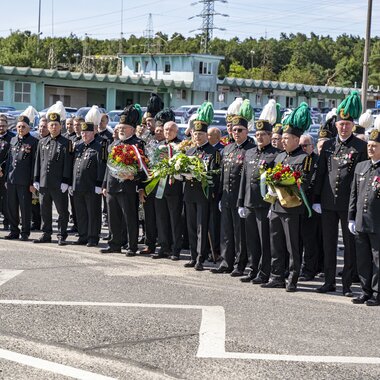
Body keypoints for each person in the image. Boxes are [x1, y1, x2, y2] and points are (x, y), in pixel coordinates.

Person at [313, 91, 368, 296]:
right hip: (327, 203)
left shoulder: (360, 146)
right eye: (340, 124)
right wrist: (316, 198)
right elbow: (320, 173)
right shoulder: (328, 145)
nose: (343, 127)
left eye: (347, 124)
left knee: (349, 246)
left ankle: (346, 284)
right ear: (335, 125)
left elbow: (361, 177)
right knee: (328, 245)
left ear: (352, 125)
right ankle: (329, 281)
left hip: (348, 204)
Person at [261, 103, 315, 292]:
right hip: (276, 206)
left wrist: (284, 183)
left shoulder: (304, 158)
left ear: (296, 139)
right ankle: (276, 276)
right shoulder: (279, 157)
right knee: (276, 243)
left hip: (292, 208)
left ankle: (292, 278)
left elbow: (305, 183)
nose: (283, 141)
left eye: (287, 138)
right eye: (282, 138)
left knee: (292, 246)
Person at [238, 99, 280, 284]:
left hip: (264, 205)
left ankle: (264, 272)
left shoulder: (275, 155)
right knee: (251, 240)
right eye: (258, 134)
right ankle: (253, 269)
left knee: (265, 241)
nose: (260, 137)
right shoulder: (249, 153)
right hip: (249, 202)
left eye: (264, 134)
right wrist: (241, 202)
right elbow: (244, 180)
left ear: (270, 135)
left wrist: (273, 205)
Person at [211, 99, 255, 276]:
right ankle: (225, 261)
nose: (236, 133)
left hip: (241, 198)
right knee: (226, 232)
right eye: (234, 130)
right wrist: (220, 195)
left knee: (240, 234)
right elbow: (223, 174)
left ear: (247, 131)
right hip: (227, 197)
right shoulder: (227, 149)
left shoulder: (250, 149)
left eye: (240, 130)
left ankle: (240, 263)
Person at [101, 105, 145, 255]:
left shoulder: (138, 143)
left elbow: (143, 167)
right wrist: (105, 185)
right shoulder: (114, 144)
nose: (121, 130)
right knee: (113, 218)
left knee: (130, 218)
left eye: (124, 128)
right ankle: (114, 243)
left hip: (128, 187)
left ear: (132, 129)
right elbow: (108, 167)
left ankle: (132, 246)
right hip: (112, 187)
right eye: (119, 127)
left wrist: (135, 178)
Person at [183, 102, 220, 271]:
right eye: (195, 134)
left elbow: (215, 174)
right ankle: (192, 255)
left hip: (204, 195)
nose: (197, 137)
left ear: (207, 135)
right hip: (189, 193)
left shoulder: (213, 153)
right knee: (190, 226)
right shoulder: (189, 152)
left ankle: (200, 257)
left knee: (201, 227)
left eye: (200, 134)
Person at [349, 123, 380, 306]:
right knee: (362, 259)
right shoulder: (361, 166)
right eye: (369, 145)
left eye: (374, 146)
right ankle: (365, 290)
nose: (370, 148)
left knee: (378, 260)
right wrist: (351, 217)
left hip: (377, 222)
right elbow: (354, 194)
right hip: (361, 221)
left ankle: (377, 292)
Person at [33, 111, 73, 245]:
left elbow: (68, 163)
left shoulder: (67, 142)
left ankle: (62, 234)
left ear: (60, 126)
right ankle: (46, 233)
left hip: (59, 183)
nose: (53, 127)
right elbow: (38, 162)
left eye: (56, 125)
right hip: (44, 182)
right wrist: (36, 179)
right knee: (44, 210)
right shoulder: (42, 142)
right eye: (51, 125)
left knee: (62, 211)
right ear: (48, 126)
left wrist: (66, 181)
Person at [152, 118, 184, 260]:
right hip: (160, 188)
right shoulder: (159, 146)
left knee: (175, 220)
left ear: (176, 131)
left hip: (174, 188)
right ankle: (164, 247)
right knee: (161, 218)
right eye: (166, 129)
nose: (168, 132)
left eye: (171, 130)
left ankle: (176, 249)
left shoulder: (180, 146)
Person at [71, 121, 106, 247]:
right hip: (78, 185)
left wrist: (99, 184)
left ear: (93, 133)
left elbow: (102, 167)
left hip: (91, 186)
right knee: (80, 212)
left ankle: (93, 237)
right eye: (82, 132)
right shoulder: (78, 146)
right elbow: (73, 166)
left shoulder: (99, 147)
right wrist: (71, 183)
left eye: (87, 132)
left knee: (93, 213)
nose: (84, 135)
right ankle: (83, 235)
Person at [4, 115, 38, 241]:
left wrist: (32, 182)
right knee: (11, 207)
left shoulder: (34, 142)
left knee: (25, 208)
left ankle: (25, 232)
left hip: (25, 181)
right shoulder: (13, 140)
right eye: (19, 126)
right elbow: (9, 161)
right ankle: (14, 231)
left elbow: (34, 163)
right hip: (12, 180)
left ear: (28, 128)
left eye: (23, 126)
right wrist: (7, 177)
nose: (21, 129)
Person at [298, 133, 322, 281]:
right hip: (296, 204)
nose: (302, 148)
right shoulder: (298, 159)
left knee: (310, 240)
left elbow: (316, 183)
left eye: (305, 145)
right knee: (297, 239)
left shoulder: (317, 161)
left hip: (311, 205)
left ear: (312, 147)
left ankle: (309, 270)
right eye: (300, 145)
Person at [0, 115, 15, 230]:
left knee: (6, 198)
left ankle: (7, 221)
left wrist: (2, 167)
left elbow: (11, 156)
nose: (1, 127)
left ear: (7, 126)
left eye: (4, 125)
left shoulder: (11, 138)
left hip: (5, 173)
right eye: (0, 125)